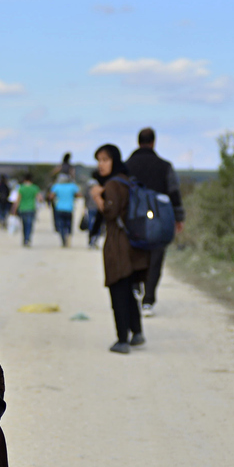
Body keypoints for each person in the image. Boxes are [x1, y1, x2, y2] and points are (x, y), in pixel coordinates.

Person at [91, 144, 149, 353]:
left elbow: (109, 213)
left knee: (118, 291)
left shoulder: (113, 185)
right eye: (99, 160)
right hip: (132, 244)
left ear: (114, 160)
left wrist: (97, 196)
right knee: (127, 289)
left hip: (118, 244)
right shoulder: (127, 180)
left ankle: (122, 339)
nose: (101, 164)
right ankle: (137, 332)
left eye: (105, 159)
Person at [125, 127, 185, 317]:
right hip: (159, 218)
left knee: (134, 253)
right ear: (153, 142)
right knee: (156, 257)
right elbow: (174, 192)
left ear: (138, 141)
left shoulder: (127, 166)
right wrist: (178, 218)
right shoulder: (165, 166)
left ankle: (135, 287)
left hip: (133, 219)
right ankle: (148, 300)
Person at [49, 173, 80, 247]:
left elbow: (51, 196)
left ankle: (63, 239)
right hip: (69, 208)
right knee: (69, 224)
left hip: (59, 208)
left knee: (61, 225)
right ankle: (68, 238)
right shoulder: (72, 186)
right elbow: (79, 195)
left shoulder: (56, 186)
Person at [14, 173, 42, 247]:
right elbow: (40, 198)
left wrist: (14, 209)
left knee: (24, 225)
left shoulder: (21, 188)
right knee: (30, 225)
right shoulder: (35, 188)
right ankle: (28, 239)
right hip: (31, 208)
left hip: (22, 208)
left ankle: (25, 239)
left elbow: (18, 200)